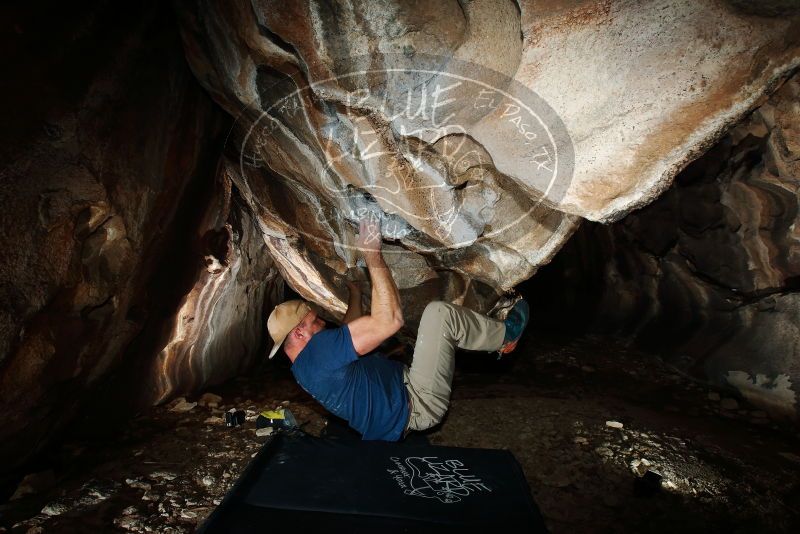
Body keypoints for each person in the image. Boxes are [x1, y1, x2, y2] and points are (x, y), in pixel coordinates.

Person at [266, 215, 530, 441]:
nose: (322, 321)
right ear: (299, 332)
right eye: (315, 320)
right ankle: (505, 337)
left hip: (395, 414)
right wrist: (372, 253)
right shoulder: (319, 353)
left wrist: (355, 293)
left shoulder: (304, 368)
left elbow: (345, 332)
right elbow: (389, 321)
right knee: (439, 315)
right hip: (417, 401)